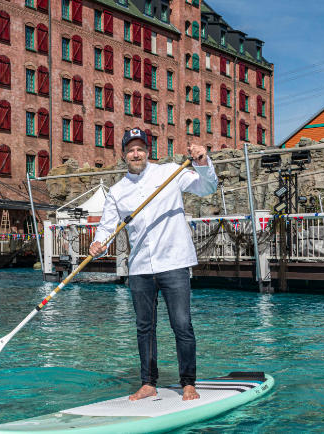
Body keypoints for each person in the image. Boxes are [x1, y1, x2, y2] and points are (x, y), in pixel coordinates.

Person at [89, 128, 217, 402]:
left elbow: (208, 188)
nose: (136, 154)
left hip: (174, 261)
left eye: (141, 149)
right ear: (124, 154)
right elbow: (106, 227)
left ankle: (188, 383)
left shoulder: (169, 172)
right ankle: (148, 383)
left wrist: (203, 162)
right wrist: (97, 245)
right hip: (140, 268)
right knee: (144, 327)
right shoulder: (117, 191)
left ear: (148, 151)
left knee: (182, 324)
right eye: (131, 149)